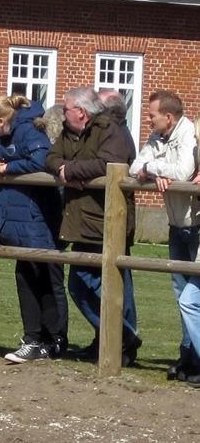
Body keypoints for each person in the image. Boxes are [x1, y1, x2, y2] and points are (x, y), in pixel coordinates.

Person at [47, 86, 140, 366]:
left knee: (113, 285)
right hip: (80, 220)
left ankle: (122, 342)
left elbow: (110, 163)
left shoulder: (110, 131)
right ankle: (116, 338)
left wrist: (72, 171)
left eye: (66, 109)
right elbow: (51, 157)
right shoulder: (69, 132)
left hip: (107, 220)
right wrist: (64, 169)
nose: (63, 115)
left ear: (81, 112)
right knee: (78, 284)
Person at [0, 94, 67, 363]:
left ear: (2, 120)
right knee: (25, 277)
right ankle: (33, 337)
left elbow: (42, 161)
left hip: (36, 217)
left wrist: (7, 167)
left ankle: (53, 339)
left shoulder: (29, 131)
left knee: (45, 278)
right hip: (12, 218)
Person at [132, 90, 199, 381]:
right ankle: (188, 359)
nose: (148, 120)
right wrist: (152, 169)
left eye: (152, 115)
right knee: (181, 295)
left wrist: (156, 168)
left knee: (191, 298)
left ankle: (195, 361)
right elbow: (136, 167)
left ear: (168, 117)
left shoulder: (188, 136)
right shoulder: (156, 138)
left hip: (195, 226)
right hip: (176, 226)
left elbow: (183, 173)